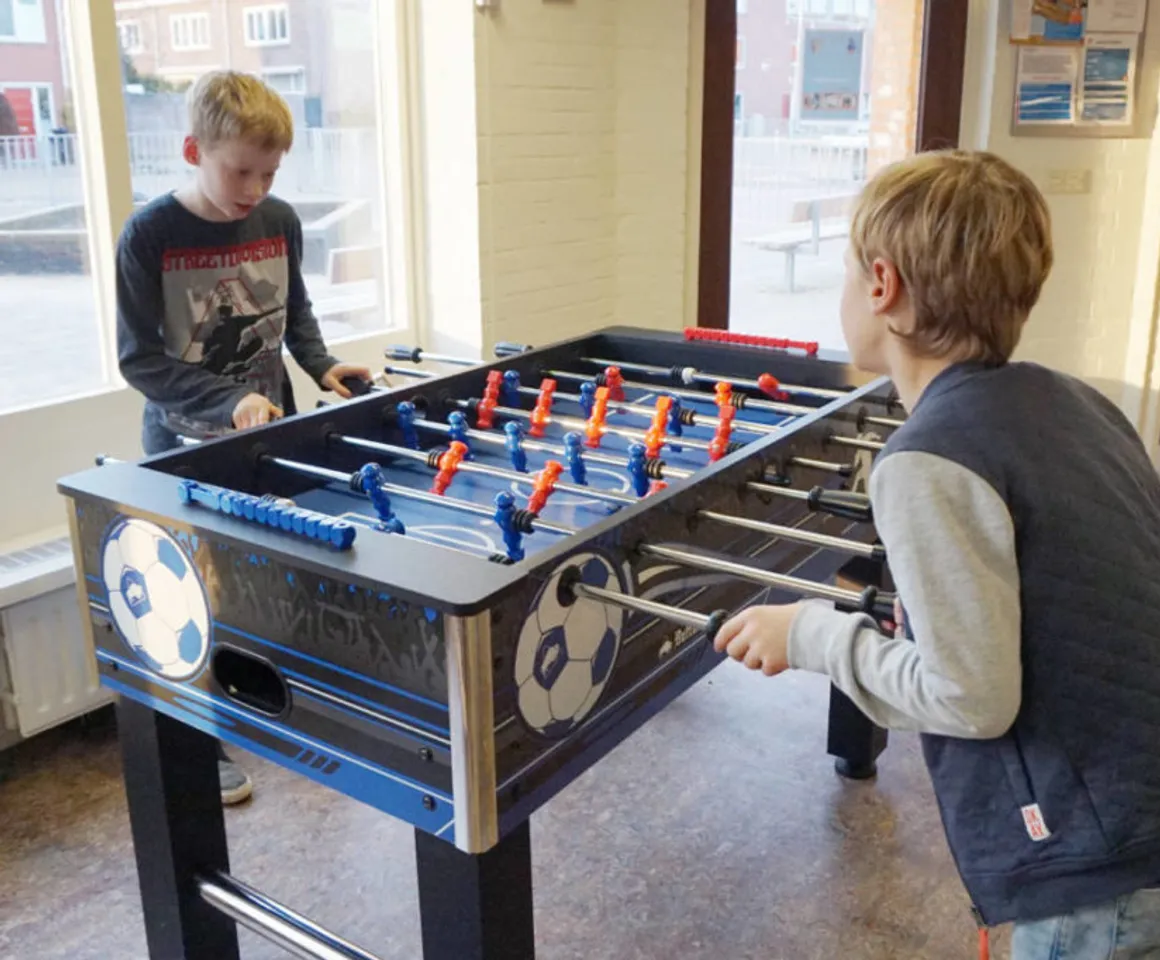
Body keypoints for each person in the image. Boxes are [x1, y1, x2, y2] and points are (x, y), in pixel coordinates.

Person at [713, 150, 1160, 958]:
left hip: (1097, 872)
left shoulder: (928, 461)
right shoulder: (1083, 403)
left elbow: (970, 698)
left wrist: (811, 634)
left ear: (882, 286)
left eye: (849, 270)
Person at [115, 70, 372, 805]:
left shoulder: (279, 220)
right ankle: (206, 746)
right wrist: (230, 400)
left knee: (267, 583)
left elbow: (294, 314)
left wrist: (322, 365)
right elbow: (141, 361)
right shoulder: (151, 235)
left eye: (269, 172)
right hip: (182, 450)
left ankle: (271, 707)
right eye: (240, 170)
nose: (255, 187)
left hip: (268, 437)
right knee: (194, 599)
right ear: (195, 149)